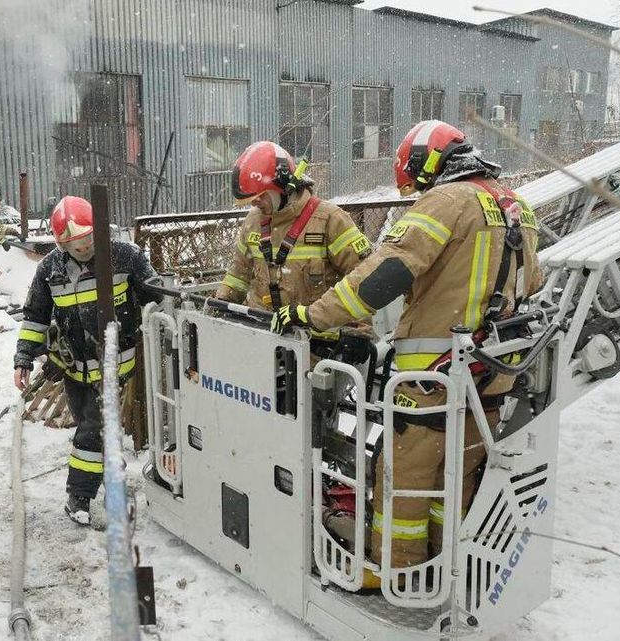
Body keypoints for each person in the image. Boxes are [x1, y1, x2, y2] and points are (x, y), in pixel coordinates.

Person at [270, 120, 543, 583]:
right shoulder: (515, 204)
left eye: (416, 183)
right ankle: (447, 566)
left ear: (427, 164)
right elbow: (530, 281)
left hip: (430, 376)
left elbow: (382, 277)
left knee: (404, 480)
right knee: (457, 475)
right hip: (492, 370)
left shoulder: (447, 202)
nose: (417, 192)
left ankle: (396, 576)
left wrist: (312, 315)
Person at [12, 196, 162, 525]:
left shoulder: (125, 257)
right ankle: (115, 480)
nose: (81, 248)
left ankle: (78, 496)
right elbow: (35, 316)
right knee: (91, 427)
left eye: (86, 241)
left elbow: (158, 297)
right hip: (74, 369)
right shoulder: (49, 269)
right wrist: (24, 356)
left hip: (114, 364)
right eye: (72, 244)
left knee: (91, 431)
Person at [215, 140, 372, 359]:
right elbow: (238, 274)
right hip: (263, 340)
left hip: (317, 346)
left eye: (260, 196)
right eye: (251, 200)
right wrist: (220, 305)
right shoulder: (253, 222)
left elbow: (363, 277)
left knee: (311, 393)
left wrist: (359, 332)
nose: (255, 204)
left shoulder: (330, 220)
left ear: (283, 186)